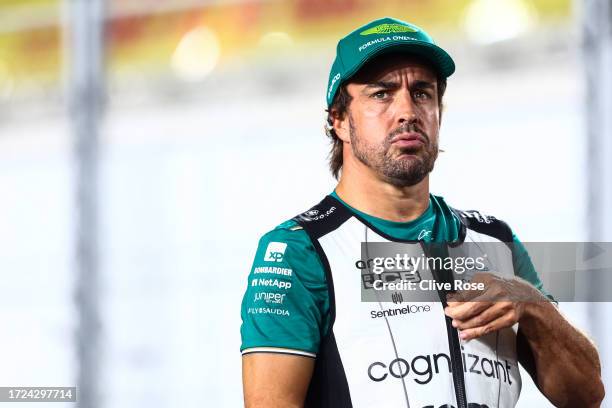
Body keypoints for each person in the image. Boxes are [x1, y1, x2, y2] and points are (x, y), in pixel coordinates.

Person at [240, 17, 604, 408]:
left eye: (422, 93)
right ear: (339, 121)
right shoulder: (298, 251)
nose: (407, 111)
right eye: (381, 94)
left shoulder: (494, 239)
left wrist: (531, 304)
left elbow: (586, 396)